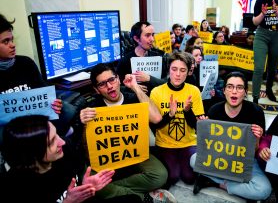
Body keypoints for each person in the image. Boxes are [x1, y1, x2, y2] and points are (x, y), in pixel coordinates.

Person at [79, 63, 173, 202]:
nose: (110, 86)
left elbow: (157, 118)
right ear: (96, 89)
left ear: (118, 79)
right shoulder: (91, 108)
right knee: (90, 184)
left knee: (160, 175)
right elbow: (87, 150)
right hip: (108, 159)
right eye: (102, 84)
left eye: (112, 80)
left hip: (134, 153)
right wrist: (83, 124)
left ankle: (120, 192)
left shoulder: (133, 98)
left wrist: (135, 87)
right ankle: (142, 197)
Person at [0, 115, 141, 203]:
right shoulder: (14, 188)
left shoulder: (66, 150)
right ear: (32, 154)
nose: (62, 142)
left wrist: (85, 187)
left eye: (57, 135)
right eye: (52, 142)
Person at [190, 71, 272, 201]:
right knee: (194, 160)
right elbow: (208, 147)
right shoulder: (215, 109)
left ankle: (218, 183)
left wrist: (257, 137)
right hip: (220, 159)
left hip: (245, 162)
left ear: (245, 92)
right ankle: (240, 187)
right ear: (224, 91)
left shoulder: (256, 111)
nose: (234, 91)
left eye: (239, 88)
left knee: (264, 190)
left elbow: (255, 151)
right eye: (230, 87)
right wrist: (203, 130)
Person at [0, 13, 73, 139]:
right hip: (10, 126)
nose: (12, 45)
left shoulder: (25, 63)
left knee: (68, 110)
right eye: (5, 41)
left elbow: (44, 93)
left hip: (36, 118)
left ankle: (63, 139)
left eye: (12, 39)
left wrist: (54, 102)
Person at [150, 52, 205, 186]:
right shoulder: (156, 92)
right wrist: (170, 115)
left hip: (188, 142)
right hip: (165, 143)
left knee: (189, 178)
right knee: (172, 177)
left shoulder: (194, 91)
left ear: (188, 72)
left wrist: (187, 111)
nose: (178, 74)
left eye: (182, 70)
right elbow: (154, 126)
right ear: (169, 69)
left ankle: (182, 162)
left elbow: (196, 127)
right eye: (174, 69)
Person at [117, 21, 167, 94]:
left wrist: (149, 78)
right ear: (136, 39)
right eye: (147, 35)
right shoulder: (125, 61)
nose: (152, 39)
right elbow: (118, 87)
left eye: (153, 35)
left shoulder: (158, 56)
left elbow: (166, 83)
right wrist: (133, 88)